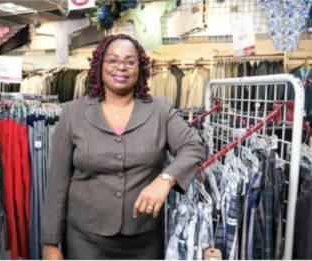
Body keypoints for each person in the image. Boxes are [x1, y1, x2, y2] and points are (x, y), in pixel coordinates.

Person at [41, 34, 205, 259]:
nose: (122, 67)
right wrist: (51, 242)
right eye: (113, 60)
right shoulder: (73, 113)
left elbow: (193, 147)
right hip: (85, 238)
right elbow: (57, 182)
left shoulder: (160, 110)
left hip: (143, 238)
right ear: (100, 65)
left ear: (140, 68)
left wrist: (165, 179)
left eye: (130, 61)